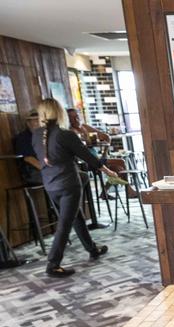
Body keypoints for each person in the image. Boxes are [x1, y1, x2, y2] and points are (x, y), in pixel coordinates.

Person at [32, 98, 118, 278]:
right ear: (59, 112)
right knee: (65, 224)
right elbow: (88, 156)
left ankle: (92, 248)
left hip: (50, 185)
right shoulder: (66, 134)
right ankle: (53, 264)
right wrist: (108, 170)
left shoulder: (36, 134)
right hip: (69, 184)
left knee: (75, 216)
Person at [12, 110, 42, 186]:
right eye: (35, 120)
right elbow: (29, 158)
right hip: (32, 172)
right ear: (28, 123)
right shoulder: (23, 138)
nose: (39, 123)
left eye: (40, 120)